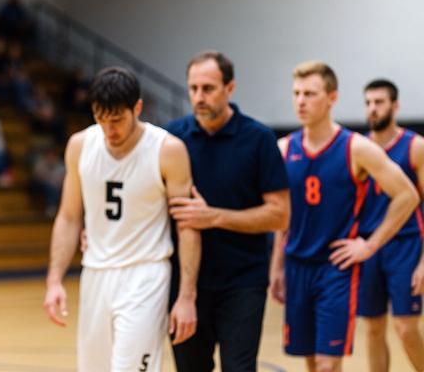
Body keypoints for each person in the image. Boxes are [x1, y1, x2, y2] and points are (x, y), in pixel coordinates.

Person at [43, 66, 201, 372]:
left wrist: (186, 296)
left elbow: (187, 226)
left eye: (117, 120)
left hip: (146, 274)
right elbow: (69, 216)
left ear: (137, 108)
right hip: (95, 274)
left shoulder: (168, 150)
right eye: (101, 119)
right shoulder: (80, 146)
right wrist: (54, 281)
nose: (109, 129)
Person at [271, 61, 419, 372]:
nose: (300, 101)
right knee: (325, 355)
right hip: (308, 260)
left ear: (332, 97)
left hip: (355, 260)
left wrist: (373, 245)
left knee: (337, 359)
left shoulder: (363, 148)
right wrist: (277, 266)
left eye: (309, 93)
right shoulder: (283, 149)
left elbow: (408, 196)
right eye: (296, 93)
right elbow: (283, 217)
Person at [165, 50, 291, 372]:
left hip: (242, 282)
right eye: (193, 88)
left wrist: (215, 217)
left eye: (208, 88)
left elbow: (280, 214)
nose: (199, 97)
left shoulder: (259, 139)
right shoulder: (172, 138)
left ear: (229, 88)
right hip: (185, 283)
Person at [356, 79, 424, 372]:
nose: (372, 108)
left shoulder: (415, 147)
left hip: (406, 245)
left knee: (406, 328)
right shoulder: (358, 148)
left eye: (379, 102)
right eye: (368, 103)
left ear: (395, 106)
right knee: (373, 329)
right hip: (368, 246)